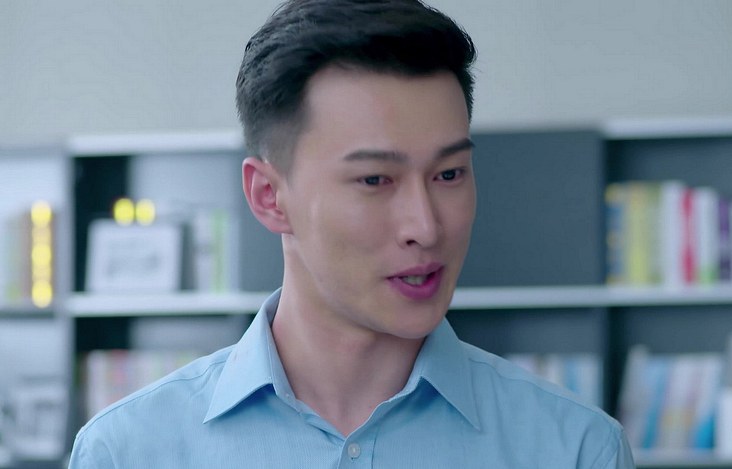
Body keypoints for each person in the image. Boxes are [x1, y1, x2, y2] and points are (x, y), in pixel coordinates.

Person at [69, 0, 635, 467]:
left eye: (448, 174)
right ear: (269, 197)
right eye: (374, 179)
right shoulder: (128, 451)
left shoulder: (575, 448)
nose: (425, 227)